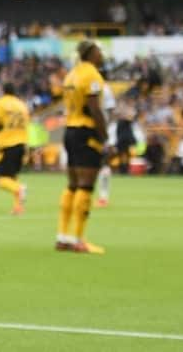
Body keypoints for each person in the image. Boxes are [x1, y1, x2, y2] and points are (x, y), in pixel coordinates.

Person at [56, 40, 107, 254]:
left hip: (70, 130)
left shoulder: (71, 75)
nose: (102, 55)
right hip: (86, 132)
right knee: (86, 185)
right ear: (91, 53)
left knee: (72, 185)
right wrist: (104, 136)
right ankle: (79, 239)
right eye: (99, 51)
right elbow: (94, 108)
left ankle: (62, 236)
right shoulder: (91, 75)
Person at [0, 82, 29, 215]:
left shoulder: (0, 103)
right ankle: (18, 207)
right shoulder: (22, 105)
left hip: (8, 143)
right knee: (13, 176)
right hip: (22, 143)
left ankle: (19, 188)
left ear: (2, 90)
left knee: (1, 180)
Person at [95, 80, 117, 208]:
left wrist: (109, 132)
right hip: (88, 130)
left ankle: (103, 197)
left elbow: (111, 111)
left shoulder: (104, 88)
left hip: (100, 131)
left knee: (103, 162)